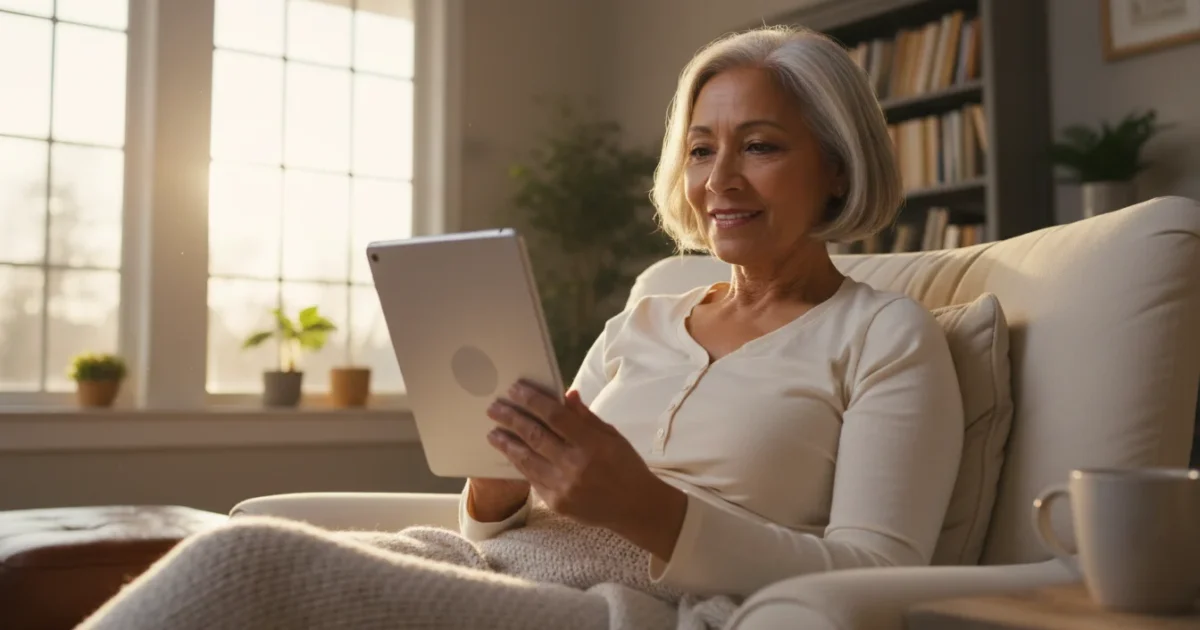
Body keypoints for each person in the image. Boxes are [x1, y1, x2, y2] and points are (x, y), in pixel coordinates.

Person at [78, 24, 963, 630]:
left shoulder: (887, 338)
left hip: (629, 612)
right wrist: (496, 494)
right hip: (498, 567)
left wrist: (645, 507)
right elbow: (502, 531)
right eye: (701, 148)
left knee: (249, 567)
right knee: (238, 551)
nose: (719, 179)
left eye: (761, 146)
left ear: (838, 171)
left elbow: (873, 578)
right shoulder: (645, 317)